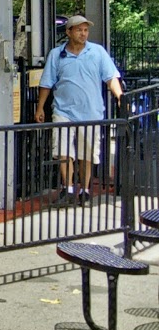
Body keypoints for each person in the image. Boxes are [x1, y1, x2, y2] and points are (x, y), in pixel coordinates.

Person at [33, 15, 123, 204]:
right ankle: (68, 188)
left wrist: (120, 96)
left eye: (85, 30)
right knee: (64, 151)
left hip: (91, 111)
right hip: (63, 111)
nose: (83, 34)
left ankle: (85, 189)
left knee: (87, 153)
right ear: (68, 32)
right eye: (79, 30)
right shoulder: (56, 54)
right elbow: (47, 82)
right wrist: (40, 107)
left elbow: (111, 77)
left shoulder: (97, 52)